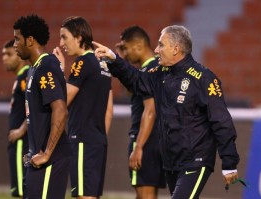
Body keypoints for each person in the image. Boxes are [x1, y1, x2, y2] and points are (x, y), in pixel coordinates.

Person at [93, 25, 240, 199]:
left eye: (161, 45)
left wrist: (229, 162)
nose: (156, 50)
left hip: (196, 160)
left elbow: (221, 121)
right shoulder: (161, 74)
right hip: (171, 160)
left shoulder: (204, 78)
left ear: (176, 49)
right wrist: (114, 59)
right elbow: (137, 80)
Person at [53, 16, 113, 199]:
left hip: (82, 140)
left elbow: (63, 99)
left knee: (84, 196)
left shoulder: (82, 62)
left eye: (64, 37)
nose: (61, 43)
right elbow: (109, 110)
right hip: (98, 141)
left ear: (79, 37)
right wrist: (99, 138)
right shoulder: (103, 64)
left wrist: (60, 70)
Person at [13, 14, 71, 199]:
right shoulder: (34, 69)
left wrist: (46, 153)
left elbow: (60, 110)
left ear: (30, 40)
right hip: (37, 157)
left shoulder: (46, 65)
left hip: (51, 159)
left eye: (17, 39)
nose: (14, 44)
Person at [115, 26, 166, 199]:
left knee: (145, 194)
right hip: (158, 140)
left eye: (126, 48)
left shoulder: (147, 72)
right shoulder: (158, 67)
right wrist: (122, 62)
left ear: (138, 45)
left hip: (146, 140)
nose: (126, 53)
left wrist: (139, 147)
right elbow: (133, 90)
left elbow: (150, 110)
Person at [2, 39, 29, 198]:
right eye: (3, 54)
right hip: (17, 144)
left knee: (22, 191)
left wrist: (21, 129)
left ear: (19, 55)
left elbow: (34, 104)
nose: (4, 58)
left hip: (22, 144)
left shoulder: (25, 75)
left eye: (9, 54)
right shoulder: (20, 77)